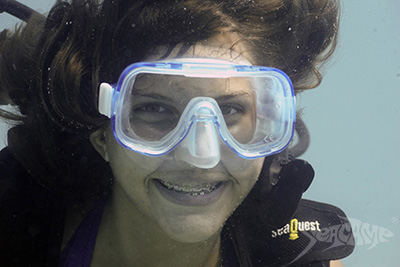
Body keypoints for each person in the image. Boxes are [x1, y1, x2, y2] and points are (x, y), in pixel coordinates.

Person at [0, 0, 354, 266]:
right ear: (103, 135)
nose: (199, 156)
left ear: (269, 126)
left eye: (230, 110)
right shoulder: (14, 225)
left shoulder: (302, 254)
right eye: (155, 108)